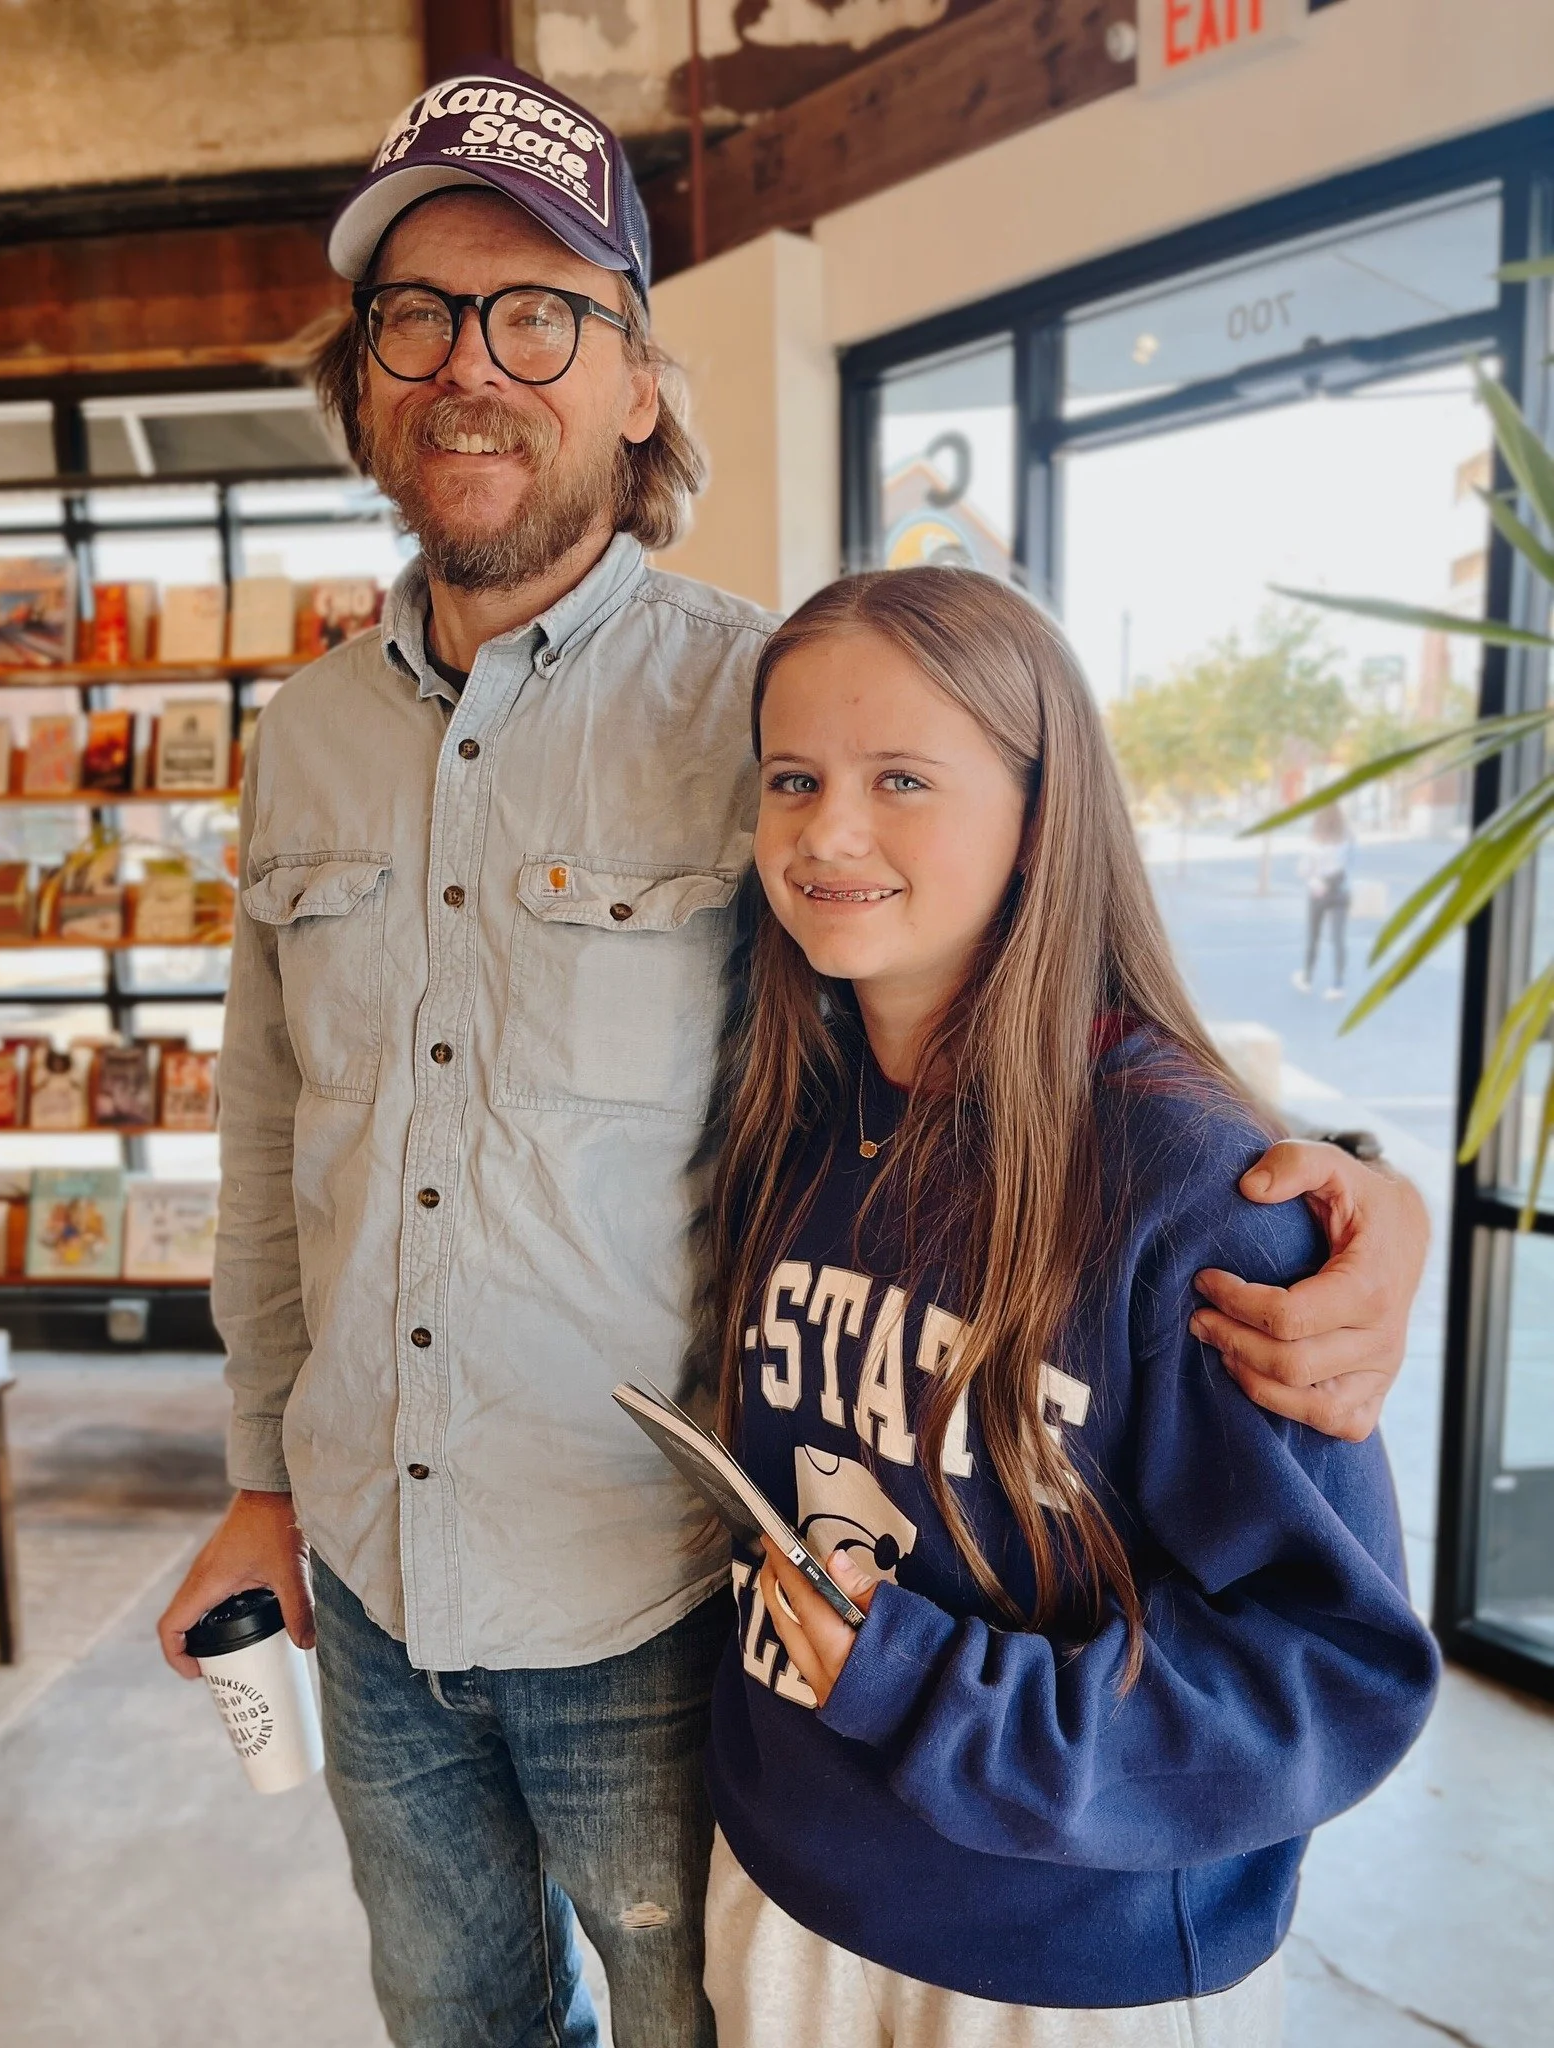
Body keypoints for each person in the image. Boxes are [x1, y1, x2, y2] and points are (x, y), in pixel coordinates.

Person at [154, 58, 1431, 2048]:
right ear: (359, 371)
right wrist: (253, 1478)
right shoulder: (301, 732)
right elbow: (263, 1130)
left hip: (659, 1594)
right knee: (446, 2011)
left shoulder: (759, 693)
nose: (467, 362)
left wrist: (1333, 1181)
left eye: (538, 313)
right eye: (413, 314)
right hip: (369, 1561)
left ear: (638, 378)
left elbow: (994, 955)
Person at [700, 568, 1439, 2048]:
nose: (828, 831)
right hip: (780, 1892)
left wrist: (925, 1689)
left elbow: (1327, 1675)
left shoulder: (1194, 1190)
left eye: (901, 777)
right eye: (795, 779)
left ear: (1040, 819)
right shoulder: (787, 1112)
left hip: (1059, 1965)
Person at [1293, 800, 1354, 1000]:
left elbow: (1304, 869)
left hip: (1318, 890)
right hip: (1340, 890)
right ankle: (1338, 985)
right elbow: (1350, 865)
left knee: (1313, 937)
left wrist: (1315, 882)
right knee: (1338, 939)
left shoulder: (1313, 837)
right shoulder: (1346, 835)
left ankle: (1307, 979)